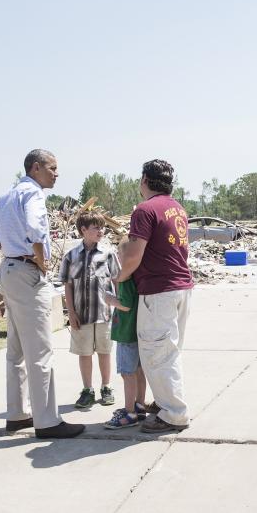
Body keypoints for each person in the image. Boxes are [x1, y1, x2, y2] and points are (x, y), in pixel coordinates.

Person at [0, 149, 84, 439]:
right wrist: (40, 259)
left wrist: (7, 246)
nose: (56, 174)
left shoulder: (6, 196)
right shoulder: (33, 194)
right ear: (36, 168)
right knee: (40, 349)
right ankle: (47, 420)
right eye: (52, 168)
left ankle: (18, 414)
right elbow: (37, 228)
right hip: (26, 272)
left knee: (17, 350)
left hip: (9, 270)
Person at [117, 159, 194, 433]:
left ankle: (173, 413)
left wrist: (119, 278)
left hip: (158, 291)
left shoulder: (145, 210)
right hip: (181, 287)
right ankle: (166, 403)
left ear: (144, 180)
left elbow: (133, 255)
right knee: (169, 351)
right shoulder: (177, 208)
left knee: (157, 353)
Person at [59, 211, 118, 409]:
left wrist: (119, 309)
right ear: (83, 230)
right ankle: (87, 390)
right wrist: (71, 313)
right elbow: (68, 285)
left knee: (104, 351)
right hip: (81, 316)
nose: (101, 231)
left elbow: (117, 281)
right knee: (84, 353)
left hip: (104, 314)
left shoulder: (108, 254)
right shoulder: (71, 256)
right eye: (96, 227)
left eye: (102, 227)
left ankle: (106, 387)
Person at [102, 237, 150, 429]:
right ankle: (139, 405)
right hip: (136, 333)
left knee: (127, 373)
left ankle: (129, 412)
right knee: (139, 371)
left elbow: (126, 305)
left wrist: (110, 300)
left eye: (120, 254)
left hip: (126, 334)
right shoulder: (137, 276)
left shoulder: (125, 278)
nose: (118, 258)